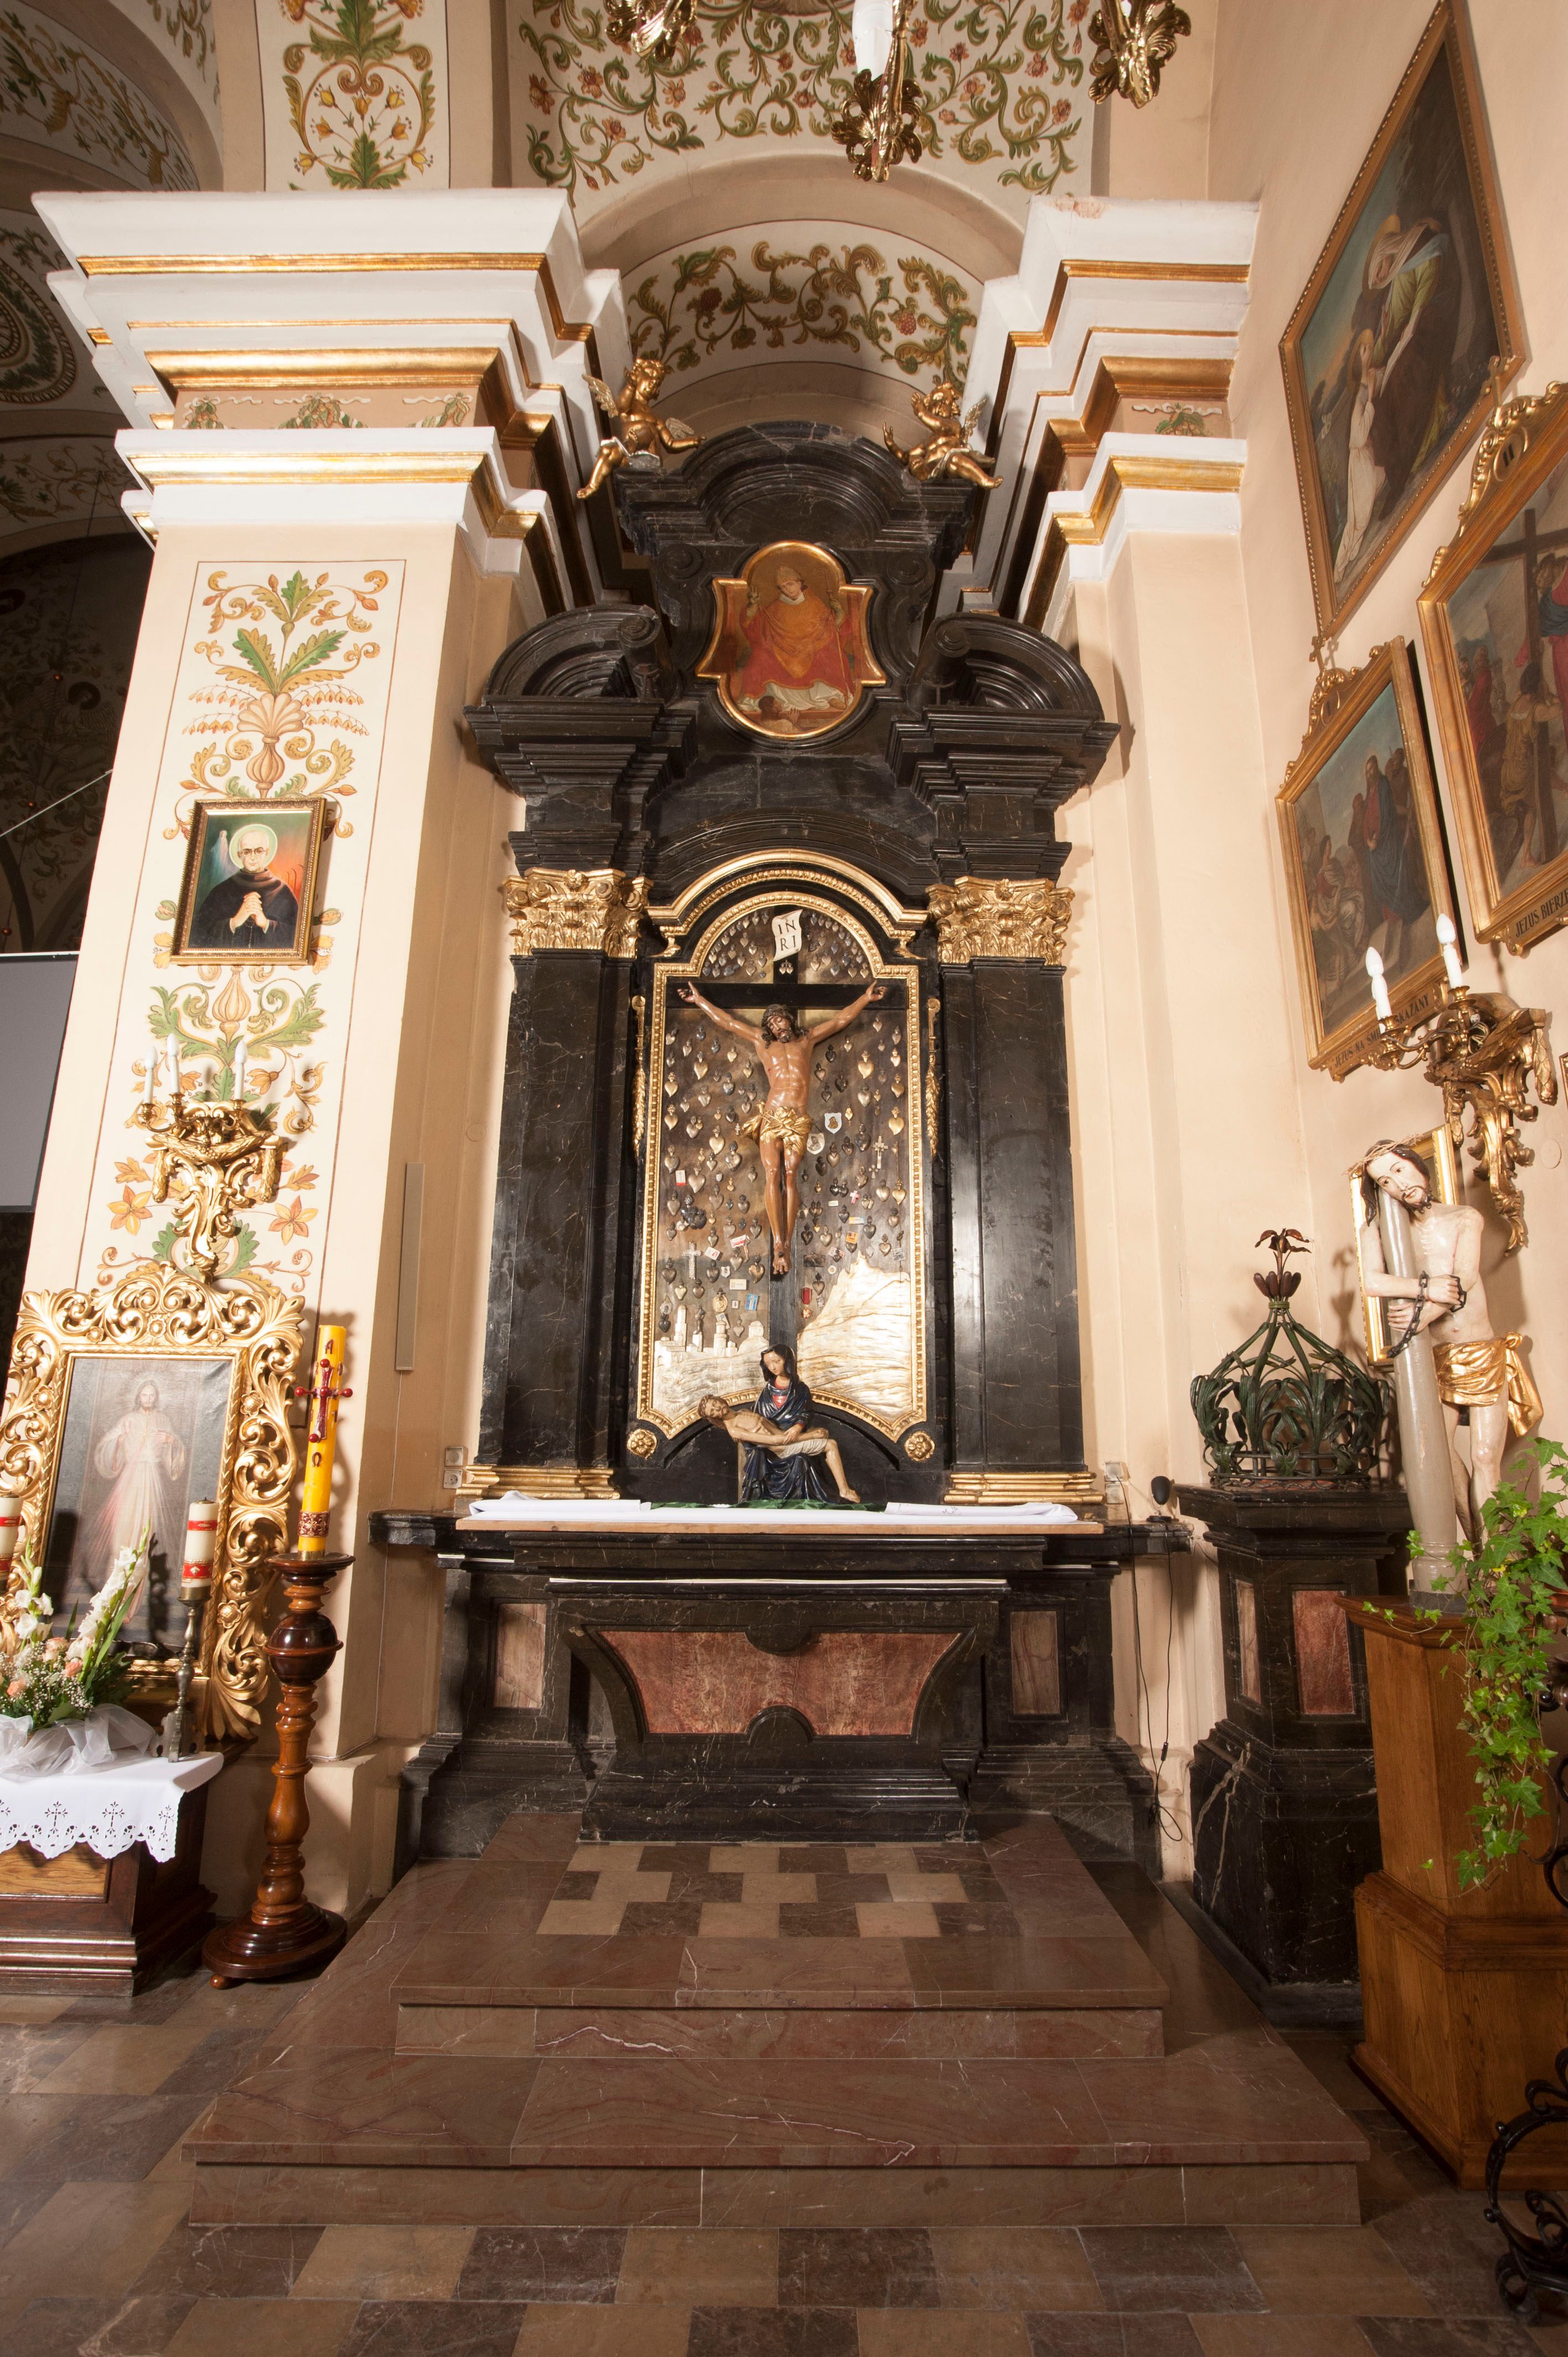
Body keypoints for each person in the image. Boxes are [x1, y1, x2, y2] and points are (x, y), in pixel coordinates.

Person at [1358, 1141, 1540, 1531]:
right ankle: (1477, 1544)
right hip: (1435, 1357)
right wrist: (1425, 1289)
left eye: (1399, 1170)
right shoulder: (1379, 1230)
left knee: (1485, 1457)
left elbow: (1465, 1278)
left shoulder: (1463, 1217)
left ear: (1416, 1164)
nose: (1398, 1184)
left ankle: (1495, 1556)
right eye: (1385, 1181)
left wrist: (1422, 1314)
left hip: (1479, 1351)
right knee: (1438, 1455)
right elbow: (1373, 1282)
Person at [677, 975, 884, 1274]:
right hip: (773, 1116)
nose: (777, 1026)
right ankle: (779, 1245)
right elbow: (728, 1023)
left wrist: (865, 998)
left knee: (790, 1174)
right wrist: (699, 1001)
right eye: (772, 1024)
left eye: (780, 1020)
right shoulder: (762, 1044)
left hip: (797, 1119)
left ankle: (786, 1242)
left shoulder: (807, 1039)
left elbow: (840, 1021)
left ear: (789, 1020)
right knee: (772, 1174)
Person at [730, 563, 865, 728]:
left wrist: (839, 613)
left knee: (830, 655)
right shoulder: (774, 609)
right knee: (759, 659)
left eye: (790, 584)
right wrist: (752, 607)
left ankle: (829, 696)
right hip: (781, 652)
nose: (788, 590)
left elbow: (834, 631)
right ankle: (757, 700)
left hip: (812, 650)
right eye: (783, 587)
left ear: (799, 583)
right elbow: (756, 629)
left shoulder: (816, 605)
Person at [699, 1388, 860, 1504]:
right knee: (831, 1444)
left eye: (715, 1403)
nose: (717, 1409)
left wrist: (807, 1431)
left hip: (786, 1438)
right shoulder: (734, 1430)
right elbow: (776, 1441)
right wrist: (810, 1436)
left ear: (719, 1400)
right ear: (714, 1418)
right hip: (782, 1450)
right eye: (713, 1412)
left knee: (824, 1434)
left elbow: (778, 1432)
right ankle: (844, 1490)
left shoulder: (742, 1412)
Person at [188, 822, 300, 953]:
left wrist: (266, 924)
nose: (253, 857)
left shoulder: (282, 890)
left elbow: (298, 937)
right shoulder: (222, 890)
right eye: (247, 852)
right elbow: (198, 935)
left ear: (267, 852)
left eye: (259, 851)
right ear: (239, 855)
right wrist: (234, 922)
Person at [1334, 331, 1385, 581]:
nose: (1369, 351)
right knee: (1359, 519)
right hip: (1361, 464)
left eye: (1370, 348)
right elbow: (1359, 437)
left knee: (1361, 516)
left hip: (1366, 458)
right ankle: (1340, 567)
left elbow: (1377, 377)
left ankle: (1345, 560)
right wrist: (1371, 401)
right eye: (1364, 350)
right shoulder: (1359, 399)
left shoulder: (1372, 377)